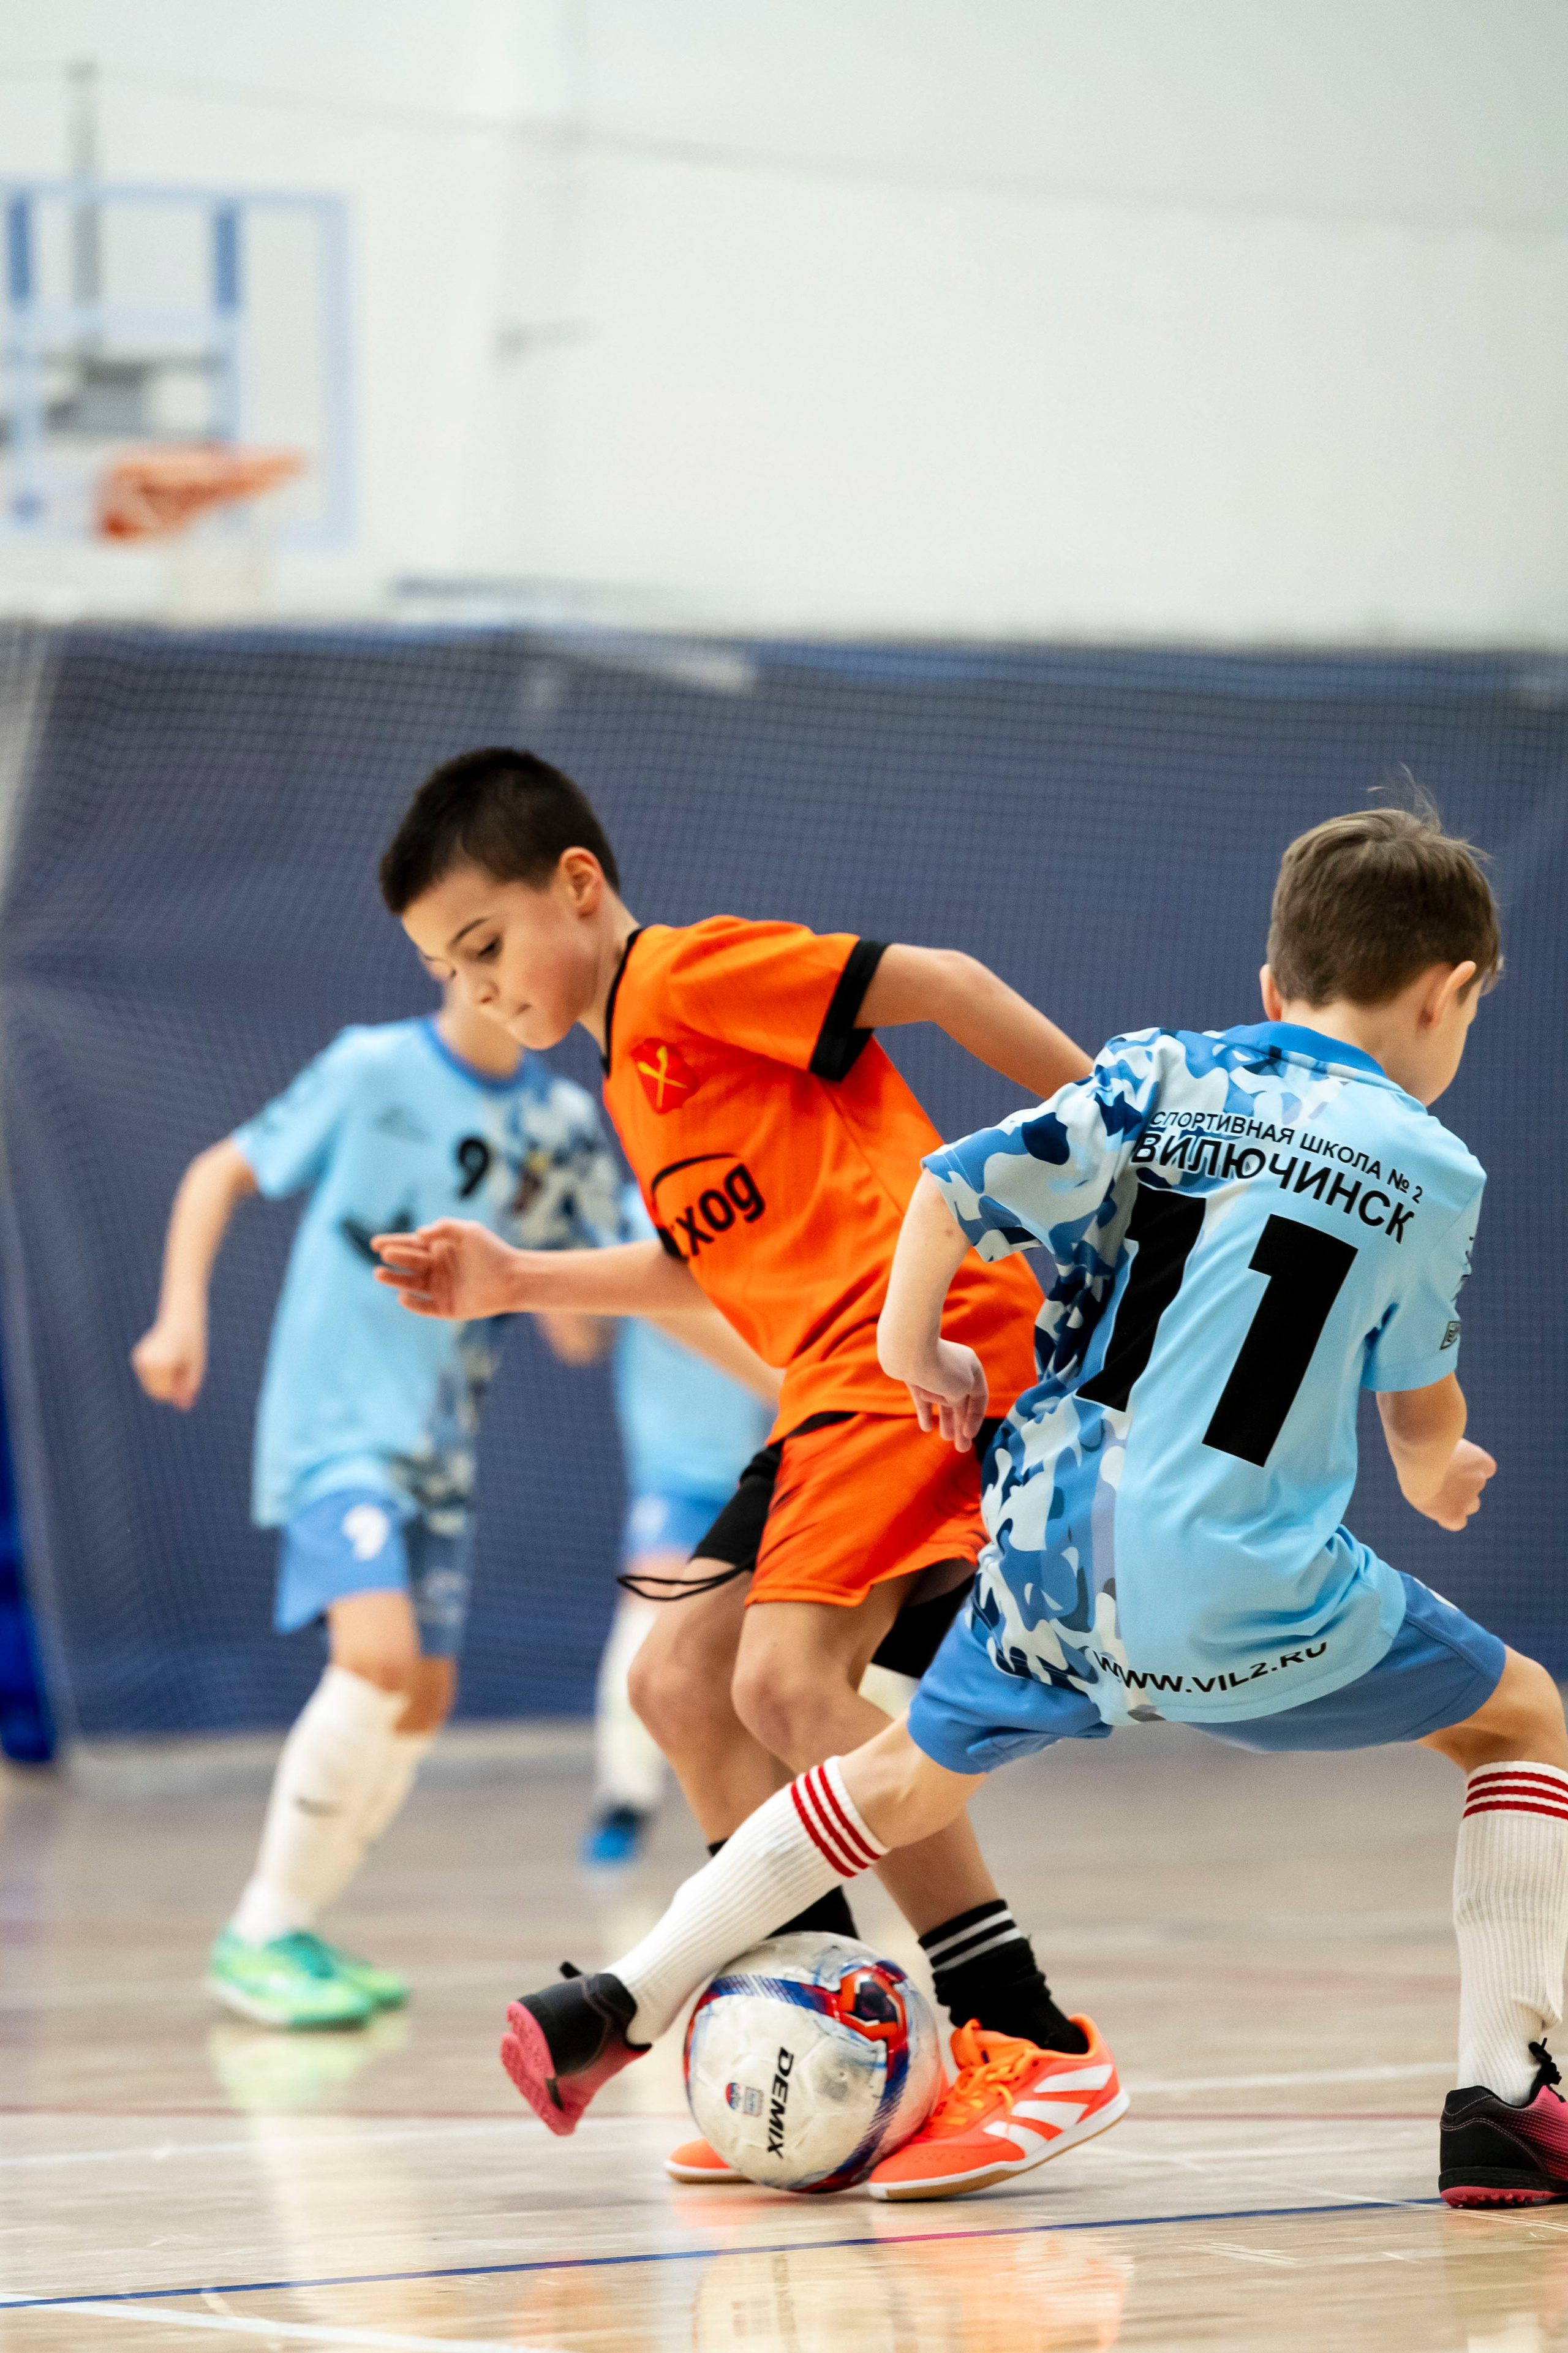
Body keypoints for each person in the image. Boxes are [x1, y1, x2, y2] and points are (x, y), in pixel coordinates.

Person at [492, 803, 1568, 2213]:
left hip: (1052, 1563)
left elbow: (945, 1184)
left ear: (1266, 989)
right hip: (1250, 1581)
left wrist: (909, 1350)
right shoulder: (1431, 1166)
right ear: (1447, 993)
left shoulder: (1159, 1075)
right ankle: (1502, 2094)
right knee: (1522, 1716)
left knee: (863, 1763)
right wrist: (1438, 1471)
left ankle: (622, 1998)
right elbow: (1418, 1419)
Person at [373, 746, 1114, 2184]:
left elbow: (948, 981)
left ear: (575, 886)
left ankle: (1022, 2034)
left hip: (924, 1335)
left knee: (780, 1679)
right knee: (673, 1679)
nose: (475, 987)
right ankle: (837, 2031)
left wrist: (1122, 1128)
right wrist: (519, 1273)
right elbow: (701, 1266)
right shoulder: (632, 1074)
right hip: (823, 1382)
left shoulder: (689, 972)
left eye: (484, 944)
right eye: (445, 970)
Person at [132, 982, 627, 2027]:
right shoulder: (371, 1069)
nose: (504, 977)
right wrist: (180, 1317)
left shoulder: (564, 1129)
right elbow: (218, 1170)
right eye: (471, 946)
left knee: (423, 1696)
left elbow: (581, 1331)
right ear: (447, 958)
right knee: (379, 1658)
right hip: (333, 1429)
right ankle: (258, 1931)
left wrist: (582, 1271)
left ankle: (296, 1924)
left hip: (439, 1451)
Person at [583, 1186, 778, 1867]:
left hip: (795, 1457)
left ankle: (888, 1788)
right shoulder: (639, 1212)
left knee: (837, 1649)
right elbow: (576, 1336)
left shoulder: (788, 1199)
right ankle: (625, 1797)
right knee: (650, 1631)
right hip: (685, 1471)